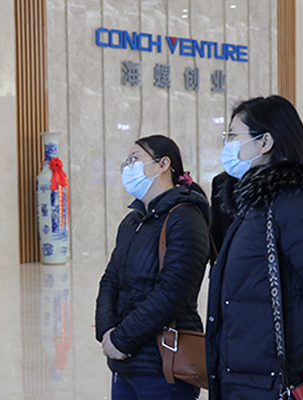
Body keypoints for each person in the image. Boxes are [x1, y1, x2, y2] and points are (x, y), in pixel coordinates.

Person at [206, 95, 303, 399]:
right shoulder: (254, 205)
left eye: (234, 136)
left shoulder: (292, 204)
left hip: (278, 380)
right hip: (247, 377)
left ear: (265, 142)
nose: (228, 145)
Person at [95, 135, 211, 400]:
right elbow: (110, 279)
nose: (128, 167)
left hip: (163, 365)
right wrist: (106, 331)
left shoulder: (186, 217)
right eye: (126, 162)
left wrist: (122, 339)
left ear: (163, 164)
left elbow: (173, 291)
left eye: (135, 159)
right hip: (124, 362)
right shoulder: (132, 221)